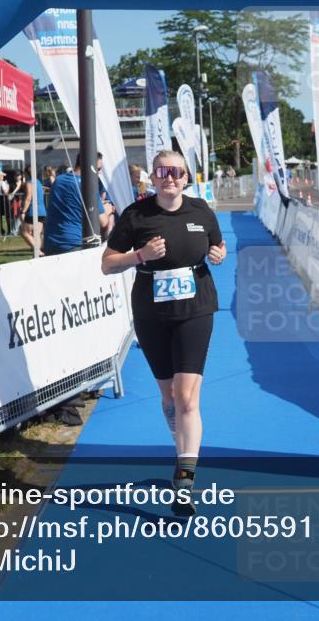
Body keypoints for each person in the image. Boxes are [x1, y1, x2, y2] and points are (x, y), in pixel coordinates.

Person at [101, 150, 227, 502]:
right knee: (169, 397)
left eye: (176, 171)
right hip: (152, 314)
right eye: (162, 172)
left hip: (195, 310)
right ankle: (181, 447)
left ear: (186, 177)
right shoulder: (136, 215)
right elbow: (107, 264)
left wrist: (219, 254)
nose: (169, 177)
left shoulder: (201, 211)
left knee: (188, 399)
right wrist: (139, 256)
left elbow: (218, 247)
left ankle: (185, 478)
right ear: (152, 178)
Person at [42, 154, 113, 256]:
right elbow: (103, 222)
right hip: (74, 244)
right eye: (98, 169)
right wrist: (107, 210)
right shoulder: (88, 186)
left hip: (51, 242)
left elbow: (71, 204)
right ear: (90, 166)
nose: (99, 172)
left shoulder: (58, 180)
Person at [19, 166, 47, 253]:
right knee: (37, 234)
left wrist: (23, 211)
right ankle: (41, 252)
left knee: (24, 232)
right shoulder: (38, 182)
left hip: (32, 211)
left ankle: (39, 252)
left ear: (26, 173)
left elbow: (28, 197)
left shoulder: (29, 183)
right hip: (42, 211)